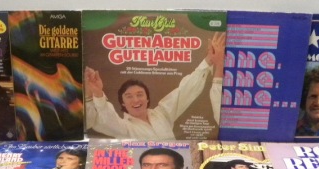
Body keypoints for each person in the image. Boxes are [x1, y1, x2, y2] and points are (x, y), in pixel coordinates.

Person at [84, 33, 225, 140]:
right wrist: (97, 93)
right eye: (129, 96)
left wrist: (209, 60)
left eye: (140, 94)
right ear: (123, 103)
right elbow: (107, 118)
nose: (136, 100)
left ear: (147, 99)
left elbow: (184, 91)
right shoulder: (124, 127)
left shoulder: (161, 113)